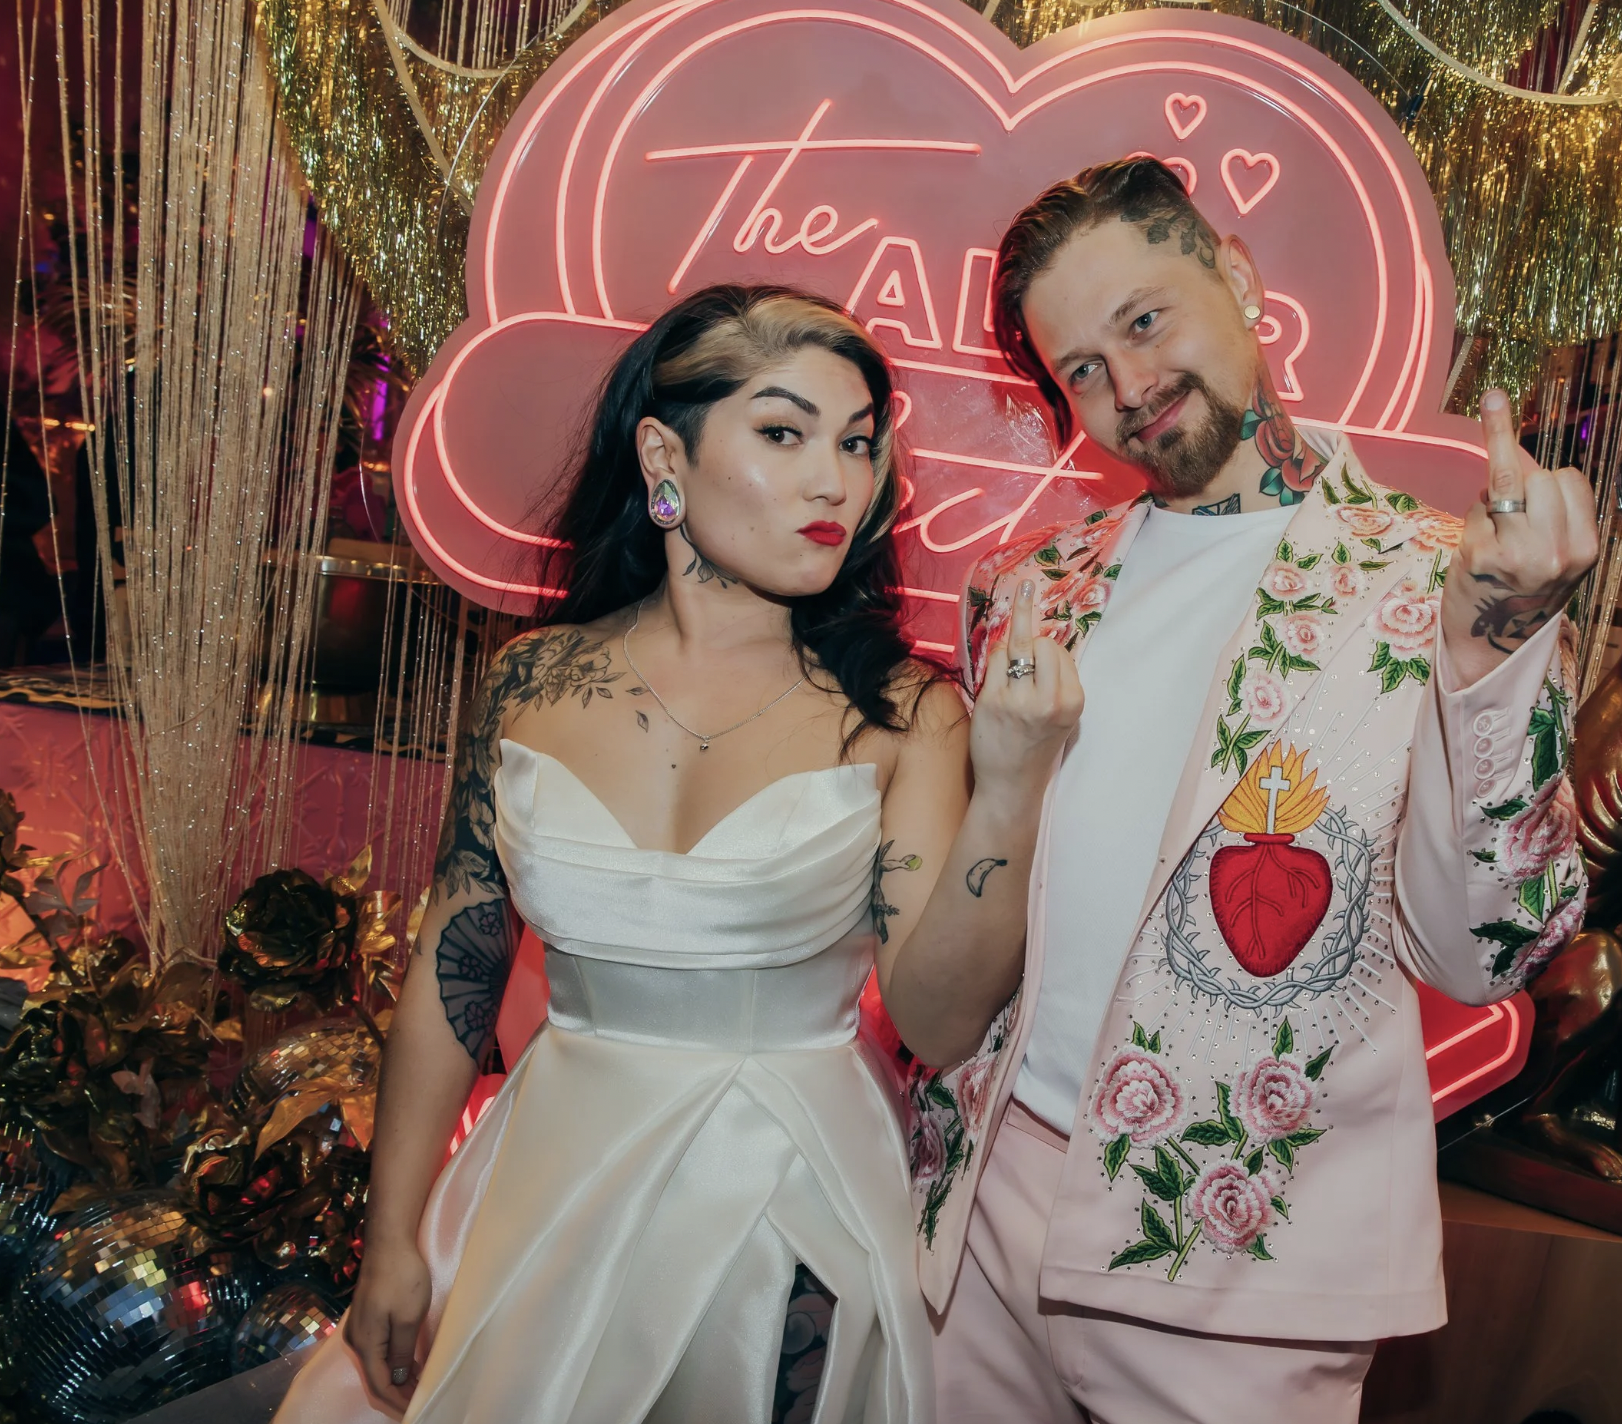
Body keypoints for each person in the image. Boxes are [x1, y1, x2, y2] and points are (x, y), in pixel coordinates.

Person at [277, 285, 1082, 1424]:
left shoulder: (903, 713)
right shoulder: (529, 681)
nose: (834, 482)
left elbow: (941, 1021)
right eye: (782, 432)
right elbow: (452, 980)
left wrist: (1010, 792)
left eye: (855, 444)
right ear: (664, 450)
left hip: (790, 1191)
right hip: (548, 1179)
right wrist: (390, 1234)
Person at [912, 158, 1599, 1423]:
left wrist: (1495, 643)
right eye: (1079, 367)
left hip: (1237, 1255)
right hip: (979, 1219)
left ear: (1233, 273)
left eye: (1143, 318)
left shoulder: (1436, 578)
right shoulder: (1029, 588)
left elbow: (1481, 952)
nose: (1127, 387)